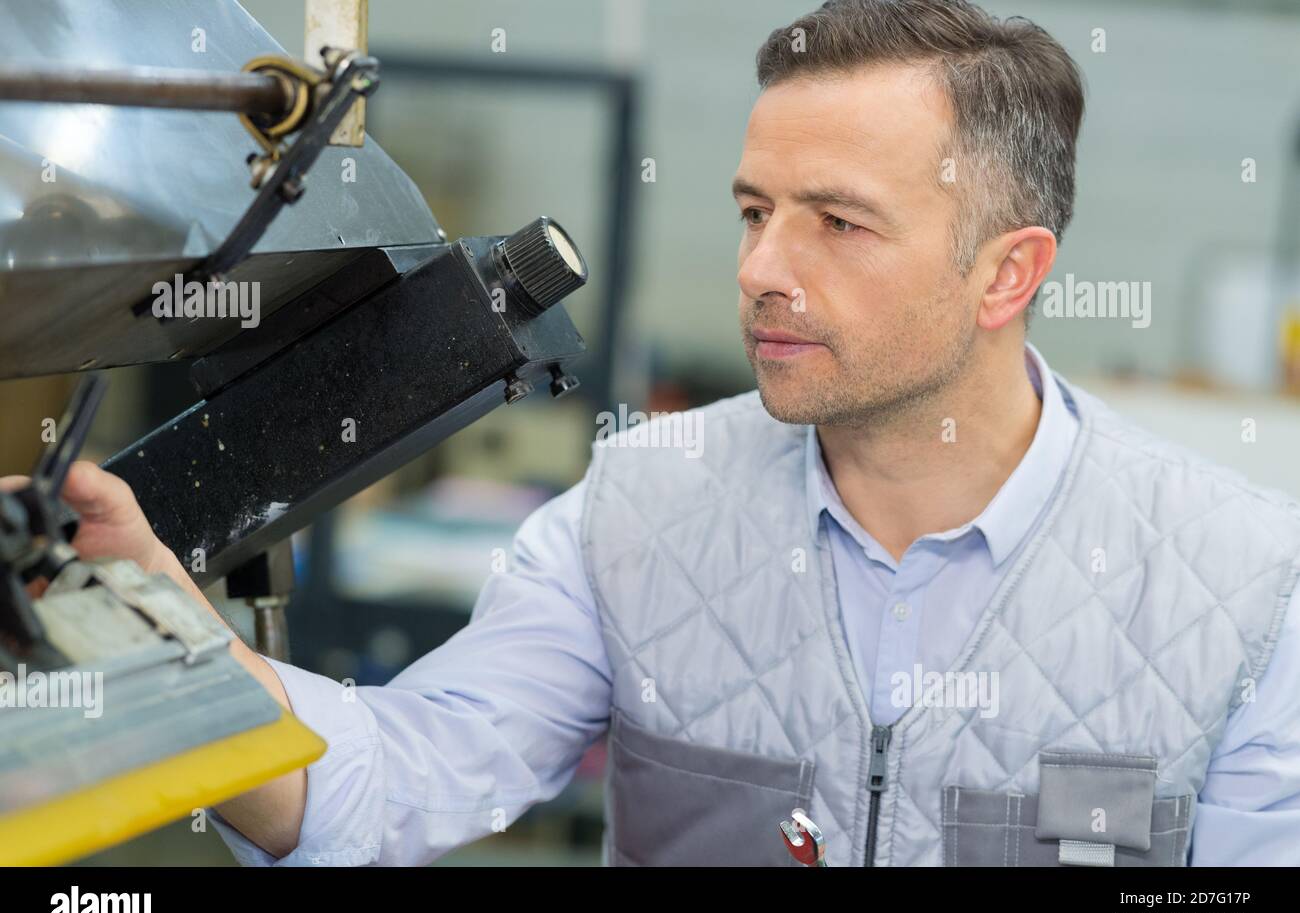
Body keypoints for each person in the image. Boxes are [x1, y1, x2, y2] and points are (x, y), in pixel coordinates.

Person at [29, 0, 1300, 866]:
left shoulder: (1238, 584)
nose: (760, 268)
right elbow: (395, 775)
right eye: (755, 211)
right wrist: (157, 629)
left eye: (836, 223)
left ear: (1007, 273)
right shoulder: (641, 510)